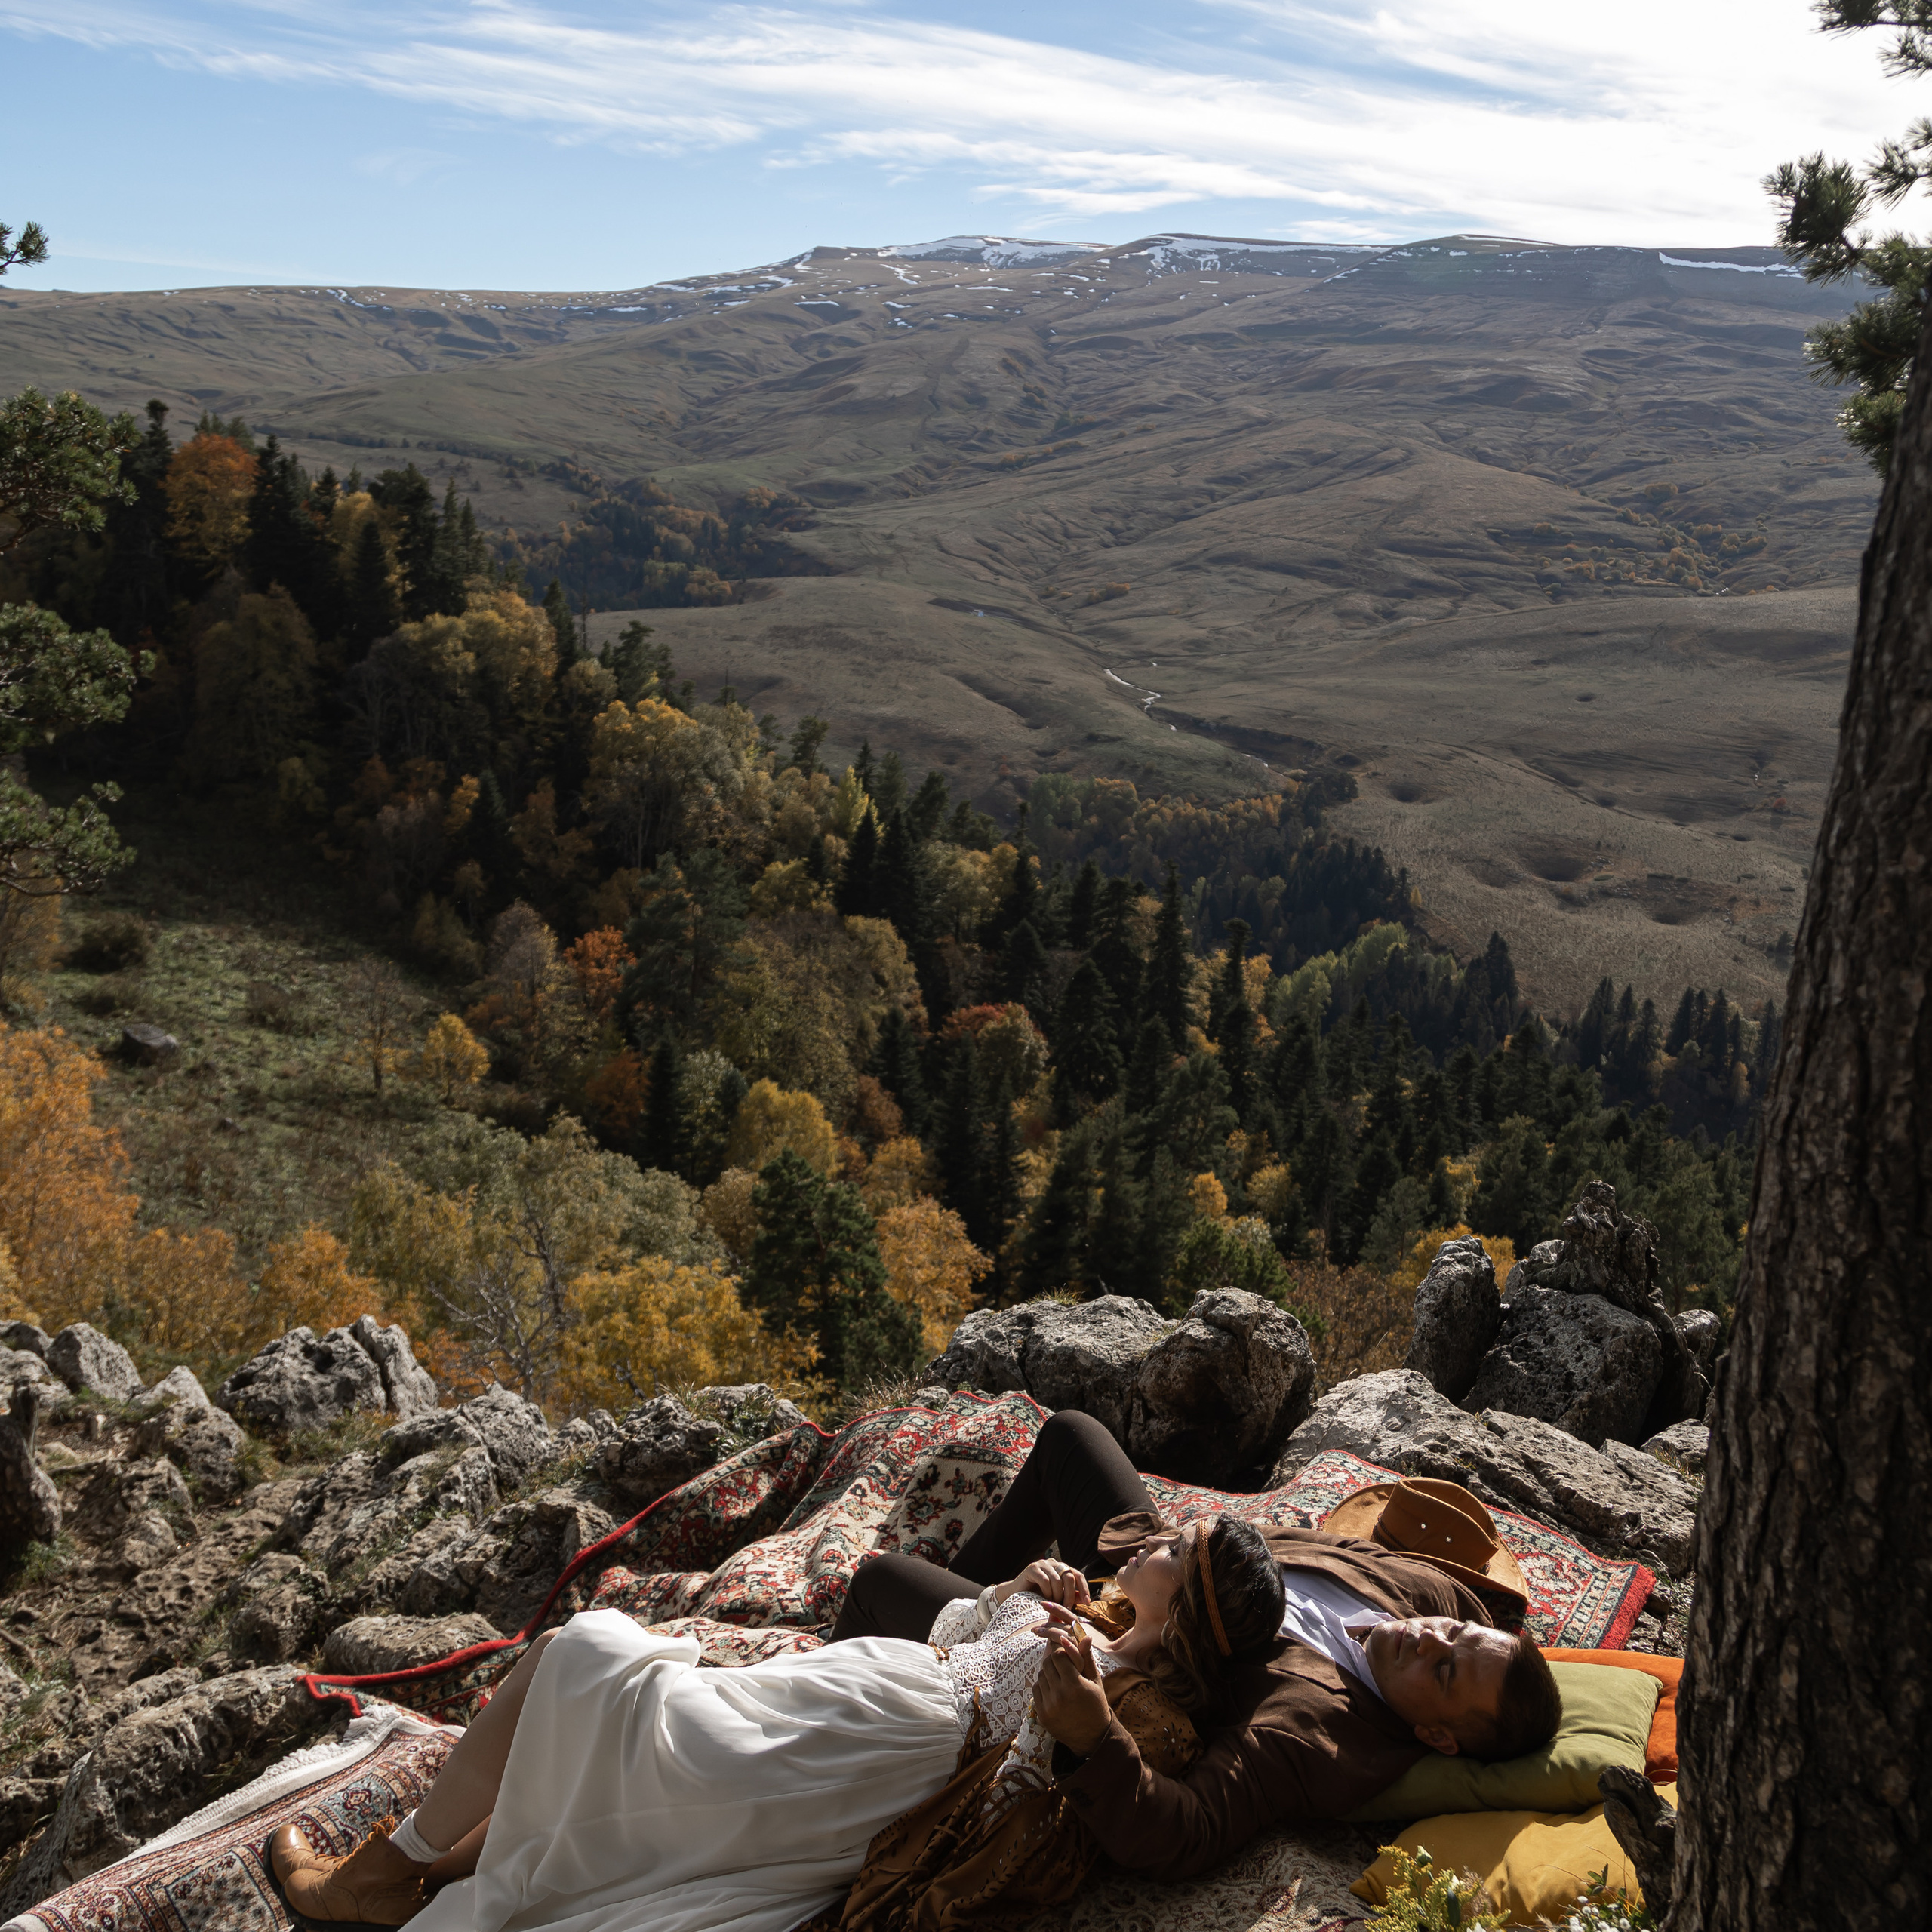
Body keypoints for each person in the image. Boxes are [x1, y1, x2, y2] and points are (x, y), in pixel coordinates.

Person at [268, 1509, 1286, 1932]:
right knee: (610, 1717)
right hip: (871, 1692)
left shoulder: (1137, 1714)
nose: (1144, 1537)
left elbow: (1026, 1826)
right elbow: (960, 1634)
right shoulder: (1088, 1617)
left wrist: (1068, 1728)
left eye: (1169, 1544)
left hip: (880, 1751)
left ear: (1184, 1602)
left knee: (582, 1661)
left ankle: (376, 1879)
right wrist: (1012, 1589)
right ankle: (431, 1870)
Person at [832, 1410, 1564, 1881]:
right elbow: (1446, 1582)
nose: (1433, 1637)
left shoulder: (1318, 1739)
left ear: (1435, 1733)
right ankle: (972, 1603)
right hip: (1166, 1556)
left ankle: (919, 1638)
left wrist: (1096, 1740)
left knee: (878, 1581)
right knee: (1070, 1436)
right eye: (1460, 1636)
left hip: (1126, 1623)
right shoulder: (1440, 1602)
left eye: (1444, 1669)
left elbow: (1185, 1831)